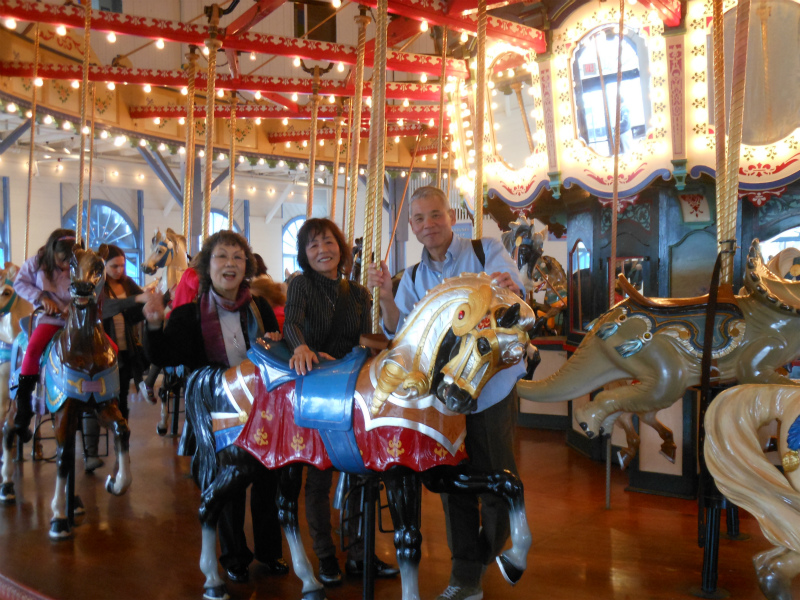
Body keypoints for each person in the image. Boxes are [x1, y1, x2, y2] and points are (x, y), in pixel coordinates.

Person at [367, 186, 525, 600]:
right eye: (419, 219)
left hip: (489, 386)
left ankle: (484, 553)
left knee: (495, 475)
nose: (428, 225)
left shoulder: (485, 251)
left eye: (435, 215)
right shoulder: (413, 276)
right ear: (411, 226)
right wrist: (386, 297)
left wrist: (510, 287)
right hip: (442, 394)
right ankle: (465, 575)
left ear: (451, 216)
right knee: (454, 481)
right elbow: (399, 332)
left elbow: (516, 298)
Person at [142, 230, 288, 584]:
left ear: (247, 267)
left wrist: (276, 345)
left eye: (238, 257)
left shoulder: (259, 308)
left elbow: (275, 352)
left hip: (260, 407)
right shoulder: (190, 315)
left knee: (268, 481)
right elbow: (164, 354)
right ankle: (235, 556)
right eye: (222, 256)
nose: (230, 264)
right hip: (219, 411)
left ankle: (270, 551)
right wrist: (155, 323)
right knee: (229, 486)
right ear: (208, 266)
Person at [283, 218, 399, 585]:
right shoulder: (301, 285)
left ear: (341, 247)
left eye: (329, 242)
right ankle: (325, 555)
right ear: (304, 254)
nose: (323, 250)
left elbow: (369, 337)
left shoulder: (359, 294)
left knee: (362, 475)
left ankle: (361, 552)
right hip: (318, 387)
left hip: (351, 389)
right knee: (319, 477)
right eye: (313, 245)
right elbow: (291, 323)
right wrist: (302, 347)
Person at [12, 229, 76, 444]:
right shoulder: (37, 263)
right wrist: (40, 297)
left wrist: (74, 306)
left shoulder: (79, 263)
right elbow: (19, 283)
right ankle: (23, 410)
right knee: (32, 350)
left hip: (76, 320)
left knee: (107, 346)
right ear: (52, 252)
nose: (66, 265)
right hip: (50, 319)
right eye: (62, 259)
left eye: (69, 261)